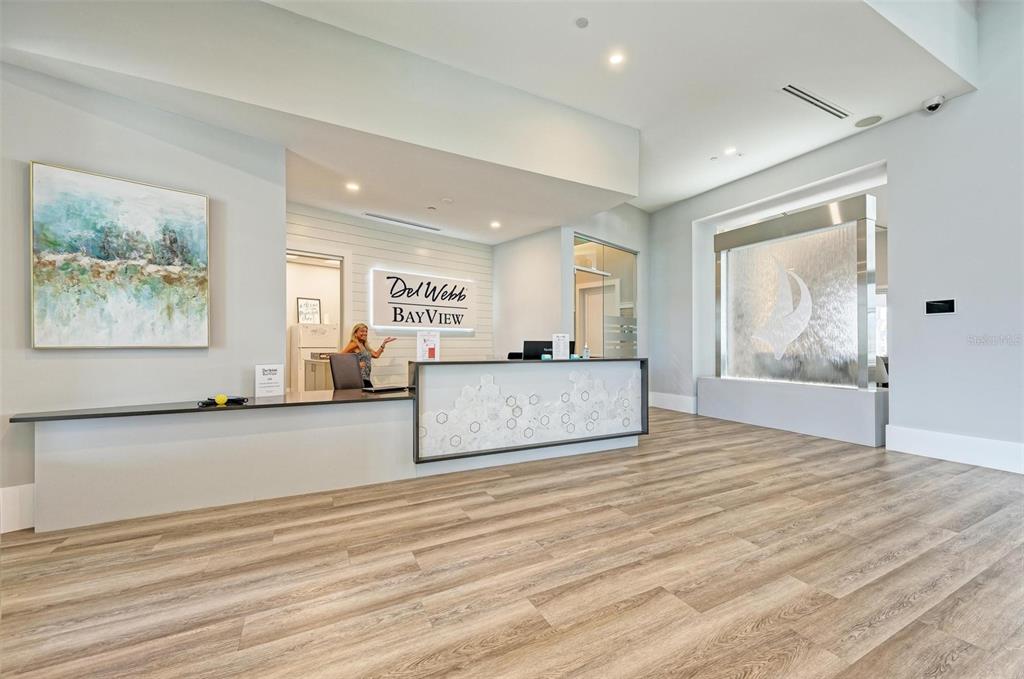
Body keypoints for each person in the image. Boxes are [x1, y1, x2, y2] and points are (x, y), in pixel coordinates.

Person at [341, 323, 396, 387]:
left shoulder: (365, 345)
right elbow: (339, 358)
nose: (365, 333)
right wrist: (356, 364)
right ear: (355, 333)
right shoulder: (354, 344)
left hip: (366, 378)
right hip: (358, 379)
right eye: (362, 331)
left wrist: (384, 343)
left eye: (366, 331)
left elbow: (376, 355)